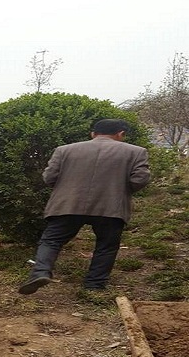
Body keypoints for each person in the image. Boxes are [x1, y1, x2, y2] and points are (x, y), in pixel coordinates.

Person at [18, 119, 151, 295]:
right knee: (106, 245)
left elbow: (49, 178)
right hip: (111, 207)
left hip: (68, 204)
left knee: (51, 240)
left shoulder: (64, 150)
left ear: (93, 134)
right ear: (121, 134)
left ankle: (40, 272)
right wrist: (119, 190)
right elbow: (140, 180)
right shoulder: (136, 152)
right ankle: (94, 286)